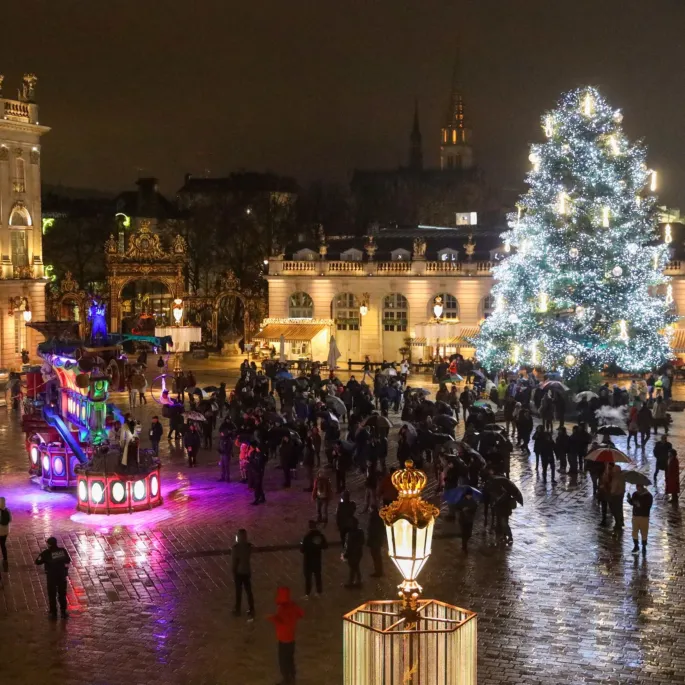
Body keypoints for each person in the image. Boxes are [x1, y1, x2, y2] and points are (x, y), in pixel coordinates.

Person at [267, 586, 304, 685]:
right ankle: (292, 676)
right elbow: (301, 614)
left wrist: (272, 618)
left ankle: (286, 680)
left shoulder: (281, 609)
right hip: (291, 639)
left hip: (283, 640)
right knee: (290, 659)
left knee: (283, 661)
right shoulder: (293, 606)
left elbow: (281, 622)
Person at [35, 537, 71, 619]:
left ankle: (53, 613)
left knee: (52, 594)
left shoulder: (46, 553)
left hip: (51, 577)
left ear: (49, 544)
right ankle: (63, 612)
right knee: (62, 594)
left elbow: (37, 562)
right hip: (61, 575)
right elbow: (68, 560)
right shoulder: (62, 550)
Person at [300, 520, 328, 597]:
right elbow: (325, 546)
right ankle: (319, 592)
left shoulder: (307, 537)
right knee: (318, 576)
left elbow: (302, 550)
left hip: (308, 560)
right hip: (317, 559)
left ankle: (308, 593)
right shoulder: (320, 535)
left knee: (308, 577)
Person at [231, 529, 255, 619]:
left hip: (239, 573)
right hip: (247, 571)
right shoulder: (248, 547)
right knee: (249, 591)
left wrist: (233, 571)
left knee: (238, 592)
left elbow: (234, 562)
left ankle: (237, 610)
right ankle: (251, 609)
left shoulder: (236, 548)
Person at [627, 484, 653, 555]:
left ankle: (644, 546)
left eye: (639, 487)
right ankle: (636, 546)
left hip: (644, 516)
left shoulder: (648, 496)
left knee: (644, 532)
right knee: (634, 531)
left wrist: (639, 504)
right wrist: (629, 500)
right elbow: (632, 503)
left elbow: (648, 506)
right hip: (635, 515)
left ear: (642, 487)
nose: (638, 488)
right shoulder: (635, 494)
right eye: (637, 487)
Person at [343, 517, 365, 588]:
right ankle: (356, 581)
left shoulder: (358, 532)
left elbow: (361, 542)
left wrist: (351, 550)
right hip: (352, 552)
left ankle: (353, 582)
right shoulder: (351, 532)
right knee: (354, 567)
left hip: (355, 553)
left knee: (354, 567)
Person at [366, 505, 386, 577]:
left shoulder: (374, 520)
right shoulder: (379, 519)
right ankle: (378, 570)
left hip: (375, 540)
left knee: (376, 556)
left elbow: (372, 530)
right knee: (377, 556)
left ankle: (378, 571)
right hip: (377, 540)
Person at [609, 464, 626, 532]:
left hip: (616, 496)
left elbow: (614, 489)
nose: (612, 471)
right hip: (620, 495)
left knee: (615, 509)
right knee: (619, 509)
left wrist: (611, 492)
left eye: (613, 470)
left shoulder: (617, 478)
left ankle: (618, 523)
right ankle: (620, 521)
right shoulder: (620, 477)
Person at [0, 497, 11, 570]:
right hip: (5, 531)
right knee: (3, 545)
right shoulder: (7, 510)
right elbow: (10, 519)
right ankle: (5, 559)